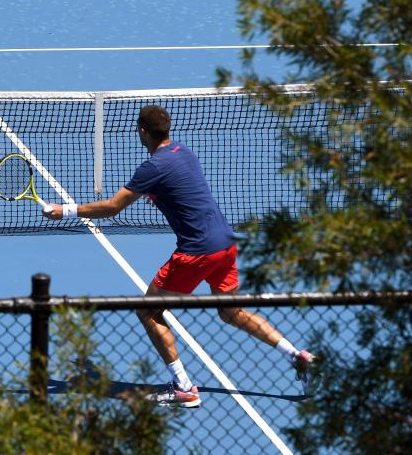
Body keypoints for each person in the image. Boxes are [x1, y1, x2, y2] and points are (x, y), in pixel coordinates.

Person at [44, 104, 314, 408]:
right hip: (225, 243)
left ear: (142, 132)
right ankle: (296, 354)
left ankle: (183, 387)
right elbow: (181, 187)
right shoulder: (183, 152)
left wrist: (64, 210)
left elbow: (113, 207)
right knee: (232, 312)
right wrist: (158, 193)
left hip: (197, 252)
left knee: (148, 312)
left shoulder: (152, 167)